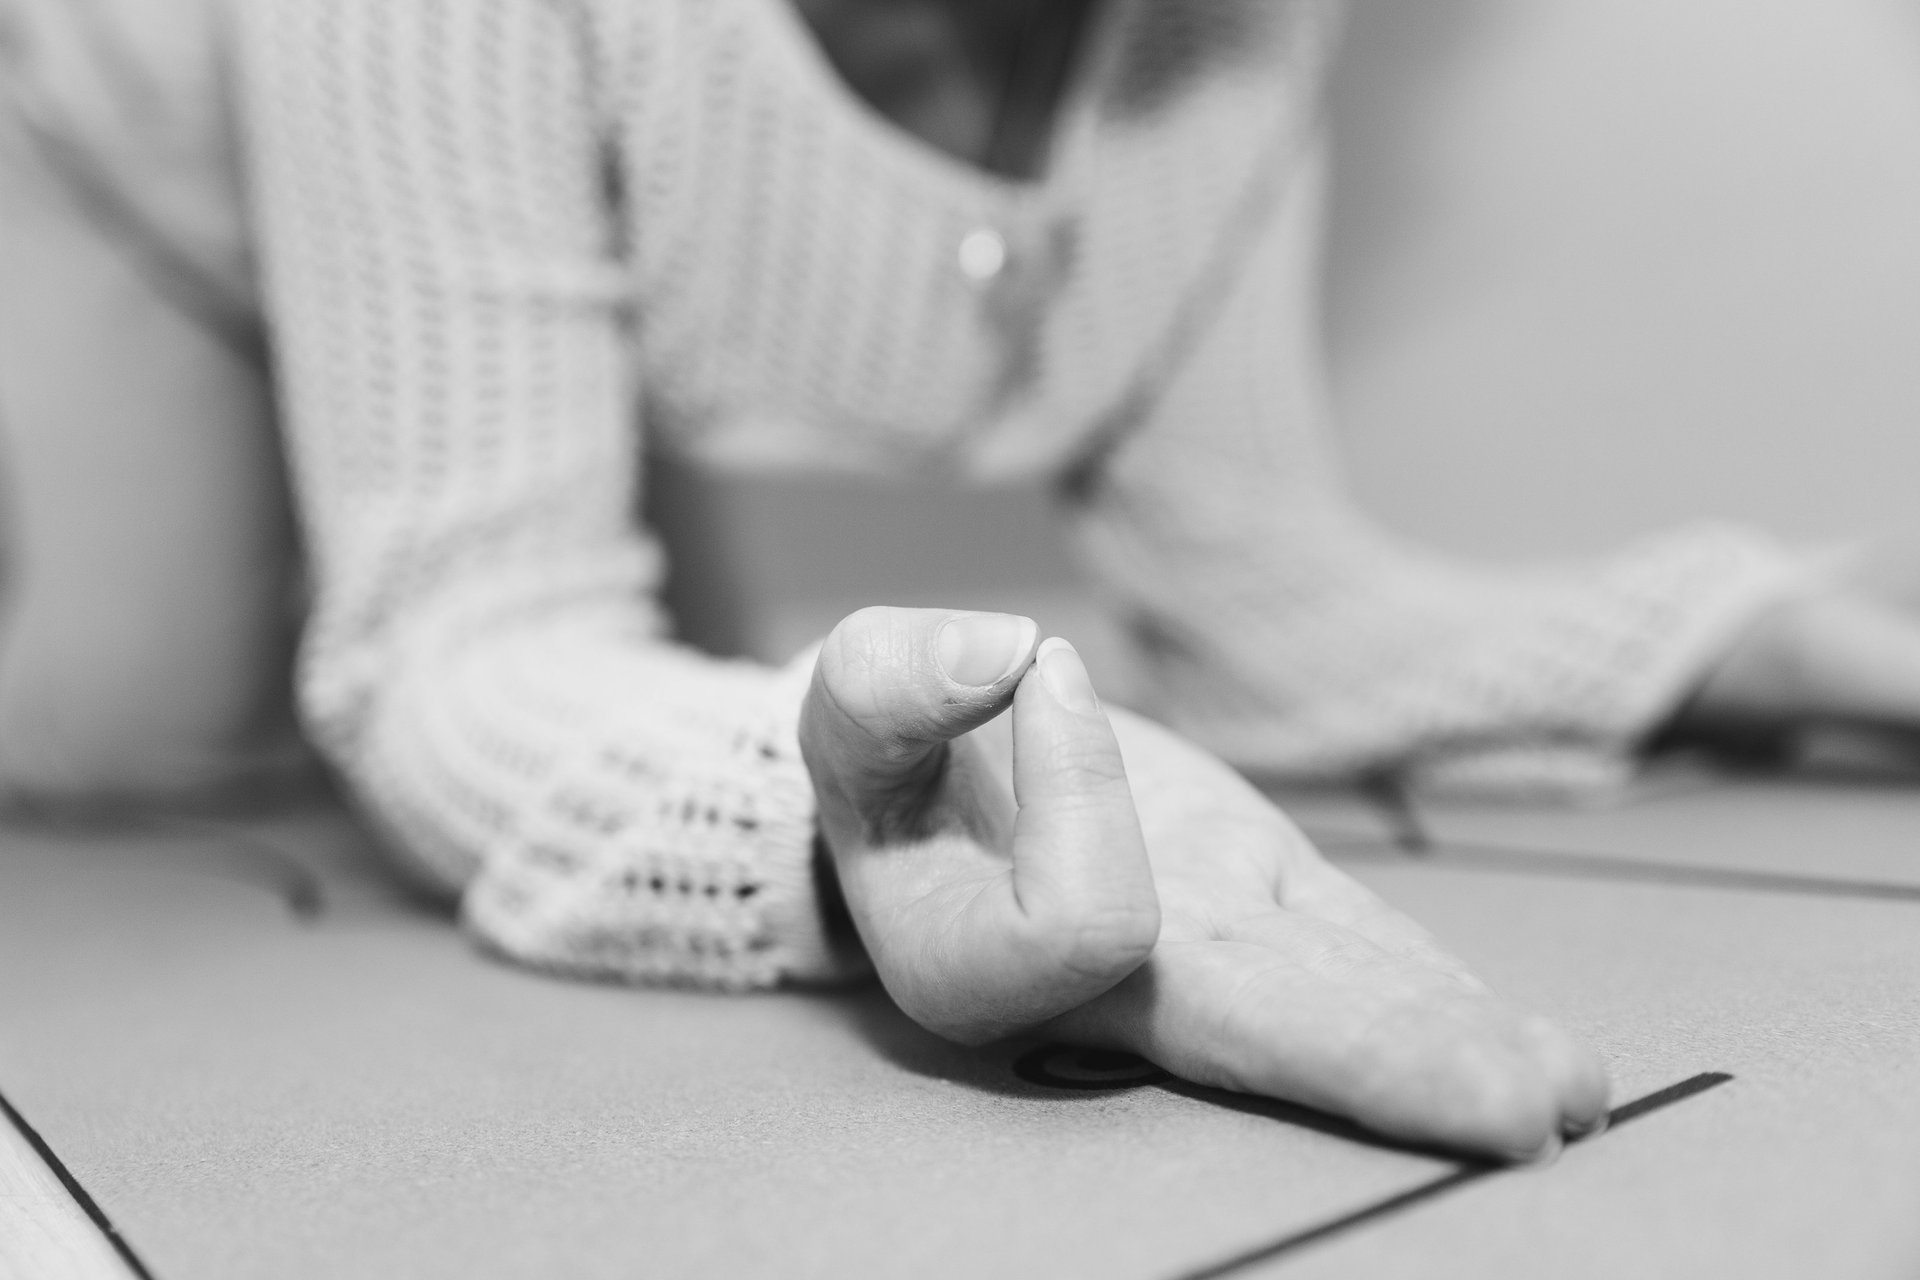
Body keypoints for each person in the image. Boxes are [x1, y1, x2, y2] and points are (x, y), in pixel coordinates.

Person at [10, 0, 1920, 1162]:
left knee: (722, 701)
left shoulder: (1226, 37)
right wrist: (858, 822)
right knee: (159, 728)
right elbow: (468, 643)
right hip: (120, 170)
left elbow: (1253, 589)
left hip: (502, 161)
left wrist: (1736, 634)